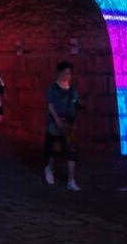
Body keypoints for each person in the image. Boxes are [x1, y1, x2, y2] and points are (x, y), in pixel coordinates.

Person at [44, 61, 81, 191]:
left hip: (69, 124)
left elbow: (75, 104)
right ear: (59, 73)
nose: (68, 76)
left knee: (71, 151)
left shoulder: (72, 90)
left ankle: (71, 180)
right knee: (55, 149)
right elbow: (50, 105)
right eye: (65, 73)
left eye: (69, 73)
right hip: (56, 123)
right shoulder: (52, 88)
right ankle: (49, 168)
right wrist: (56, 119)